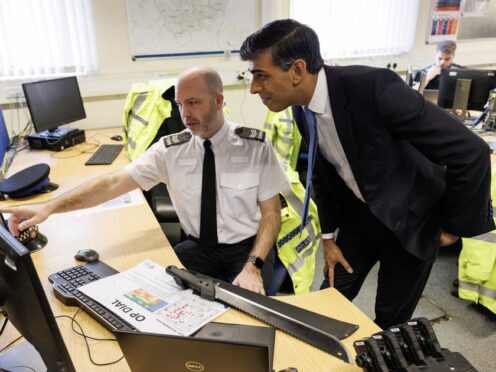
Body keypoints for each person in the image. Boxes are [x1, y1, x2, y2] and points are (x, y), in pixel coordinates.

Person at [239, 19, 494, 329]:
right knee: (326, 305)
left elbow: (472, 153)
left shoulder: (374, 88)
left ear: (297, 70)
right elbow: (322, 174)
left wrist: (453, 228)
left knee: (389, 322)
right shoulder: (299, 106)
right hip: (360, 219)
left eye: (261, 76)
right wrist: (329, 237)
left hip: (411, 220)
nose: (254, 88)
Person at [0, 67, 288, 295]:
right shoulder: (170, 150)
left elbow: (272, 215)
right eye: (179, 104)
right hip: (199, 249)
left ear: (219, 100)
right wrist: (49, 207)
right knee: (162, 304)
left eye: (193, 103)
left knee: (253, 316)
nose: (185, 114)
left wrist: (253, 265)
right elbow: (112, 184)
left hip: (248, 250)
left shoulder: (255, 146)